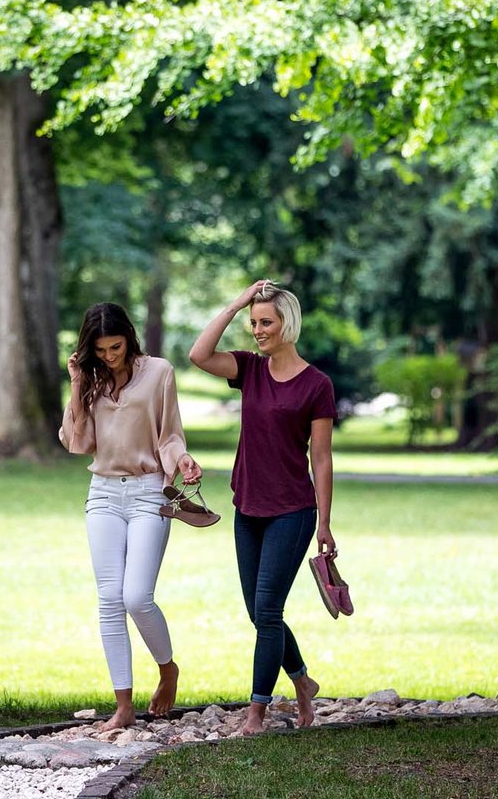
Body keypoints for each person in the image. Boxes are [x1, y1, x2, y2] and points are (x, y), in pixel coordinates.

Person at [189, 280, 335, 735]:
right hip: (248, 508)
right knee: (259, 612)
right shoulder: (249, 370)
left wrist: (325, 523)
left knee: (268, 611)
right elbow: (198, 355)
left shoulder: (317, 385)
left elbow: (322, 457)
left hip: (292, 512)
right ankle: (302, 683)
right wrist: (236, 303)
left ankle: (256, 712)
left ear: (287, 324)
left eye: (265, 322)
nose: (257, 330)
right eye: (254, 323)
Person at [60, 303, 203, 730]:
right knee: (109, 600)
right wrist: (76, 382)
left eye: (116, 346)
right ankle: (123, 706)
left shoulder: (158, 372)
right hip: (103, 492)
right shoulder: (92, 378)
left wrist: (184, 461)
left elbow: (170, 435)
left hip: (147, 493)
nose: (109, 356)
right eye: (100, 350)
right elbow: (77, 441)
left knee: (136, 596)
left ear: (129, 337)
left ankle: (167, 669)